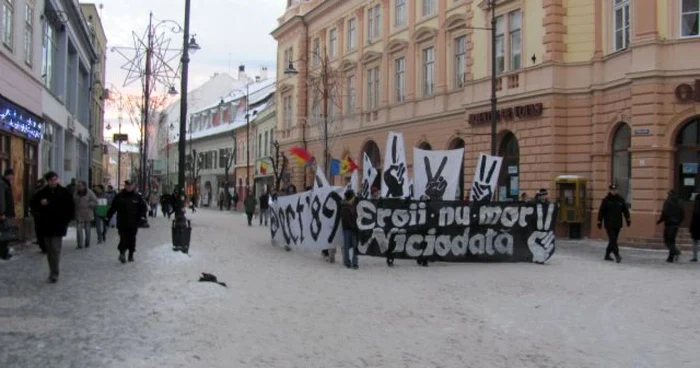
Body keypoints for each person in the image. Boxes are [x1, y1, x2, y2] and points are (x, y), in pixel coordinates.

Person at [30, 172, 74, 283]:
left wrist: (66, 221)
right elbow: (33, 205)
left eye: (55, 179)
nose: (53, 182)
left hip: (58, 226)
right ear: (47, 181)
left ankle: (55, 273)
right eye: (51, 180)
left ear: (57, 180)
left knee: (55, 249)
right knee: (49, 251)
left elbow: (71, 208)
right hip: (45, 226)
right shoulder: (41, 193)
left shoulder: (64, 192)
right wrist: (40, 204)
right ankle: (52, 270)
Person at [106, 180, 148, 263]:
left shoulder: (137, 197)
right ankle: (122, 253)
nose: (129, 187)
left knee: (132, 239)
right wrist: (108, 216)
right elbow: (113, 207)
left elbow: (143, 208)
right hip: (122, 222)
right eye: (127, 185)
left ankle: (131, 254)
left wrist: (143, 217)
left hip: (134, 222)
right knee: (123, 238)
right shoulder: (119, 196)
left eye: (130, 185)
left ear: (133, 186)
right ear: (125, 186)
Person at [597, 184, 630, 263]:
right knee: (613, 239)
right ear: (610, 190)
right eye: (612, 190)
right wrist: (599, 221)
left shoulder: (620, 199)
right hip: (609, 224)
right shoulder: (606, 200)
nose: (614, 191)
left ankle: (607, 255)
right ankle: (617, 255)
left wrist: (628, 219)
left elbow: (625, 210)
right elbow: (601, 211)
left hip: (618, 224)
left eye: (615, 190)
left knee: (613, 240)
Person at [657, 190, 684, 263]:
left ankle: (676, 252)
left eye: (668, 194)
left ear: (670, 194)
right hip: (676, 224)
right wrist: (679, 222)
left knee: (667, 241)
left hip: (669, 224)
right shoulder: (680, 202)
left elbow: (664, 212)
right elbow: (682, 213)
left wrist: (660, 220)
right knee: (672, 241)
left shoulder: (667, 202)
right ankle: (670, 258)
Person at [73, 180, 98, 249]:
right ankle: (79, 244)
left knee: (87, 229)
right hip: (78, 213)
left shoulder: (89, 192)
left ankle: (87, 242)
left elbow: (96, 201)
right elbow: (73, 201)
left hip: (87, 213)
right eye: (77, 186)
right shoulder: (76, 192)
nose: (78, 187)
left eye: (80, 186)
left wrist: (90, 204)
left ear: (84, 186)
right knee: (78, 229)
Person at [340, 189, 359, 269]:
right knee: (347, 246)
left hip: (353, 228)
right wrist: (354, 226)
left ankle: (354, 262)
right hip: (348, 228)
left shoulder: (355, 204)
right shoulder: (344, 206)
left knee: (354, 246)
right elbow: (345, 219)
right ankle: (347, 262)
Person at [0, 168, 15, 260]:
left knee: (6, 233)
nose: (12, 177)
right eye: (11, 175)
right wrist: (1, 212)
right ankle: (3, 253)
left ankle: (4, 252)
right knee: (5, 233)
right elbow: (1, 199)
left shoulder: (5, 184)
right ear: (7, 175)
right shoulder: (2, 184)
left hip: (6, 213)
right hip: (3, 214)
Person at [31, 179, 47, 253]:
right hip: (40, 214)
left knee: (40, 230)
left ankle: (43, 246)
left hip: (38, 213)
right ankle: (44, 246)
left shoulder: (36, 191)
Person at [690, 193, 700, 262]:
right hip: (696, 226)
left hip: (696, 227)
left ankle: (695, 257)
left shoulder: (696, 208)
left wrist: (691, 228)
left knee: (695, 242)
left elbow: (693, 219)